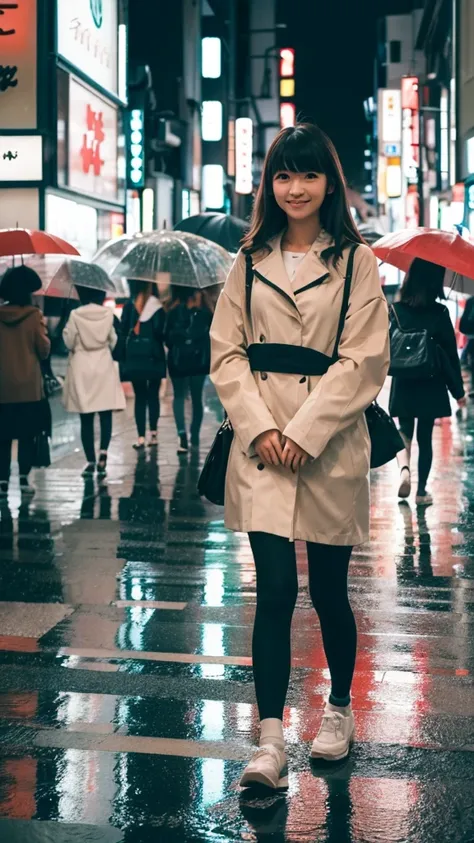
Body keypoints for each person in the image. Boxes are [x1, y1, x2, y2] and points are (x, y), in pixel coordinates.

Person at [210, 122, 390, 789]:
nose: (295, 187)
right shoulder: (248, 257)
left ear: (328, 183)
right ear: (271, 183)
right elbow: (226, 350)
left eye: (308, 174)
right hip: (261, 448)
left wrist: (303, 431)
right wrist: (260, 428)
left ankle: (338, 710)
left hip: (330, 441)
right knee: (276, 590)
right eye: (284, 174)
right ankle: (269, 739)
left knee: (331, 591)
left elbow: (365, 357)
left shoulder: (356, 260)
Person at [389, 258, 465, 505]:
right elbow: (450, 358)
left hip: (403, 381)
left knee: (404, 430)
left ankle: (404, 472)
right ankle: (421, 491)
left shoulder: (396, 310)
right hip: (430, 382)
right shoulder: (440, 313)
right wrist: (458, 391)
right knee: (424, 436)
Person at [62, 285, 125, 477]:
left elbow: (68, 341)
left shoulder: (75, 314)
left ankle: (90, 461)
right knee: (106, 414)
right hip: (103, 366)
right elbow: (113, 341)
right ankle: (103, 453)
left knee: (86, 417)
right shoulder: (107, 314)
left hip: (82, 368)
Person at [0, 266, 51, 497]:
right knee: (26, 434)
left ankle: (2, 482)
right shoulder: (33, 316)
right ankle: (23, 478)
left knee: (3, 435)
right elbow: (44, 350)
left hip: (3, 386)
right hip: (29, 388)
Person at [165, 286, 213, 454]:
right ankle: (194, 435)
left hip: (178, 361)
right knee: (197, 399)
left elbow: (167, 338)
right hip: (198, 363)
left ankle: (182, 435)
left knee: (179, 396)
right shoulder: (206, 314)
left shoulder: (173, 313)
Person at [120, 280, 166, 449]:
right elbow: (162, 333)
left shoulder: (129, 307)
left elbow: (123, 330)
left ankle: (140, 437)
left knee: (140, 397)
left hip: (135, 357)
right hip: (154, 357)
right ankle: (153, 434)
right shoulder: (157, 307)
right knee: (153, 396)